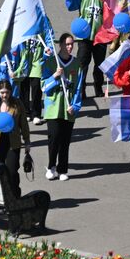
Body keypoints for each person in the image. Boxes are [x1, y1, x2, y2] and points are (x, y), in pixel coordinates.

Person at [43, 33, 84, 181]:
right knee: (54, 137)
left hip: (68, 108)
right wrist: (54, 76)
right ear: (60, 45)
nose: (70, 47)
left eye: (72, 44)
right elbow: (43, 87)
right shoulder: (51, 62)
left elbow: (79, 88)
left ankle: (62, 169)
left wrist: (75, 106)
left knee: (65, 140)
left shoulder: (76, 63)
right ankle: (51, 166)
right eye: (67, 44)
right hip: (53, 107)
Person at [0, 80, 31, 202]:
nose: (4, 95)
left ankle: (14, 198)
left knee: (12, 173)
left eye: (7, 92)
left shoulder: (17, 104)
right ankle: (0, 199)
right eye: (2, 92)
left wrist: (27, 141)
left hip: (12, 143)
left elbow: (23, 124)